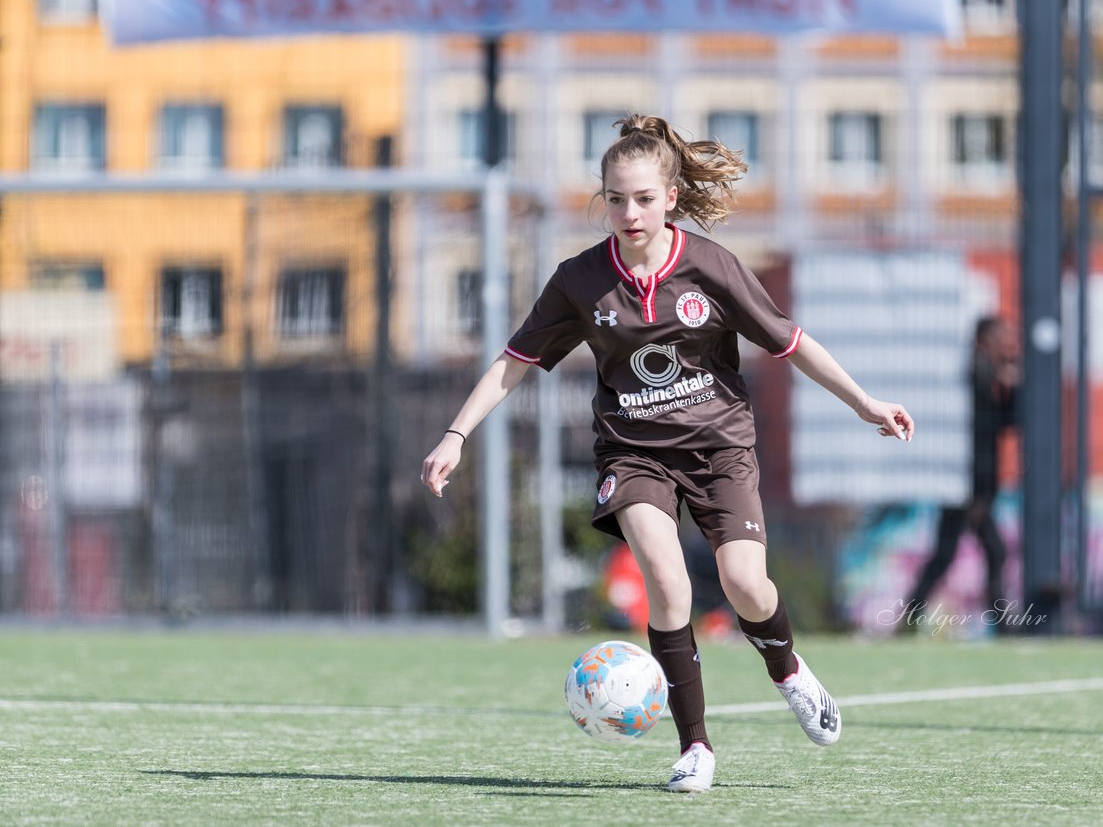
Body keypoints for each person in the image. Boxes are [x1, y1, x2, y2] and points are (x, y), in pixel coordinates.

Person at [421, 114, 914, 794]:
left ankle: (789, 670)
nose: (630, 212)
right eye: (616, 198)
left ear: (672, 197)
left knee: (745, 584)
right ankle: (695, 747)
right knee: (665, 578)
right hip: (633, 453)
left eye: (644, 198)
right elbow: (514, 361)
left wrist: (865, 403)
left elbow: (791, 343)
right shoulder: (579, 280)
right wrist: (456, 435)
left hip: (718, 448)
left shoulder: (711, 266)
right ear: (603, 200)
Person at [901, 315, 1018, 635]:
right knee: (980, 552)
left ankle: (909, 619)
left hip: (972, 484)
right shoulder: (979, 373)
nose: (1004, 344)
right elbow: (981, 431)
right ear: (983, 340)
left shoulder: (989, 375)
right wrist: (979, 495)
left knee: (958, 553)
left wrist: (1010, 387)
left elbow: (1006, 421)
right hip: (968, 484)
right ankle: (1002, 625)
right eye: (998, 337)